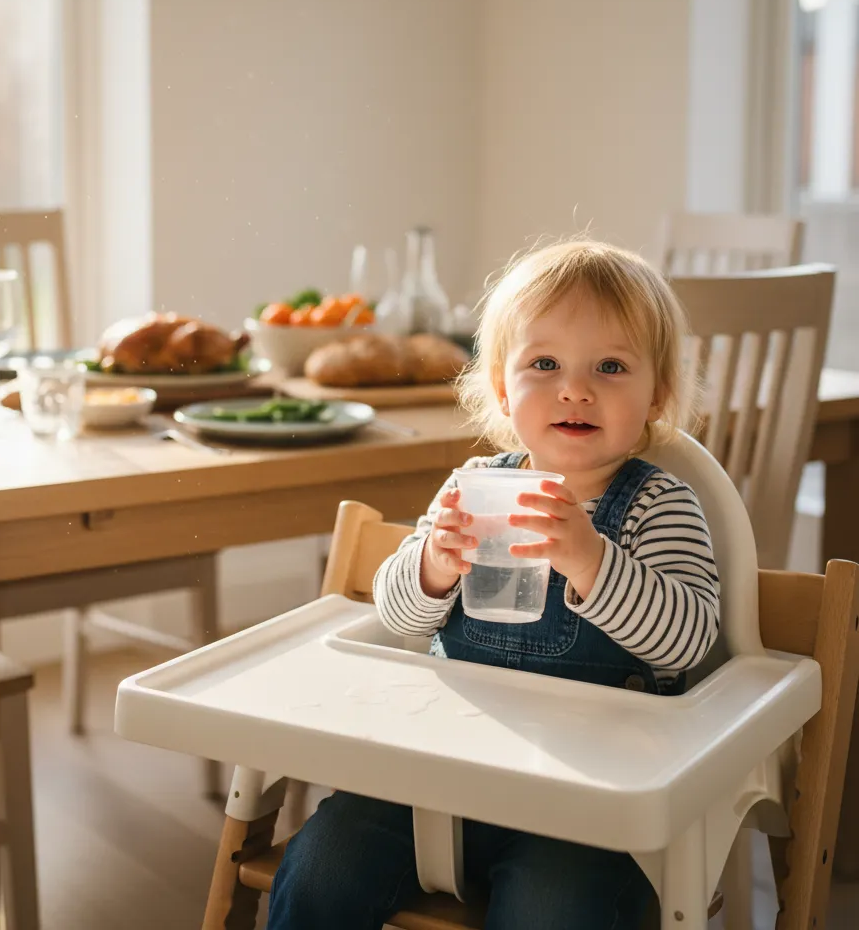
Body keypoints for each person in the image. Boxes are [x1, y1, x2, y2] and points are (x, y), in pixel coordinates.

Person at [267, 239, 720, 930]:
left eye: (611, 366)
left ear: (657, 392)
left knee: (557, 909)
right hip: (445, 771)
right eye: (545, 364)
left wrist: (592, 559)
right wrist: (431, 567)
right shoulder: (474, 488)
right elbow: (399, 617)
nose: (575, 388)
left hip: (587, 803)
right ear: (505, 389)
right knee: (320, 866)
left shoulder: (663, 506)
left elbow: (688, 642)